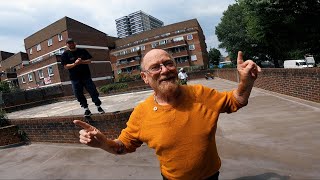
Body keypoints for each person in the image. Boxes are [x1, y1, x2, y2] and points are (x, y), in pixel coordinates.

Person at [73, 49, 261, 179]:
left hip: (211, 176)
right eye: (155, 67)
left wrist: (246, 81)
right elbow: (122, 146)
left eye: (168, 63)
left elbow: (237, 100)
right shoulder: (141, 113)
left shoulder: (201, 94)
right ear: (145, 78)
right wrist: (103, 143)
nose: (165, 70)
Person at [61, 38, 105, 117]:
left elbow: (89, 61)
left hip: (86, 76)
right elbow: (66, 66)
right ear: (67, 45)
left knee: (93, 91)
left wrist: (81, 62)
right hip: (74, 78)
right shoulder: (65, 54)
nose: (71, 44)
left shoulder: (82, 51)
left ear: (75, 43)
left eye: (72, 42)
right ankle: (86, 109)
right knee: (78, 94)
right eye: (69, 43)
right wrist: (75, 64)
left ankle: (98, 107)